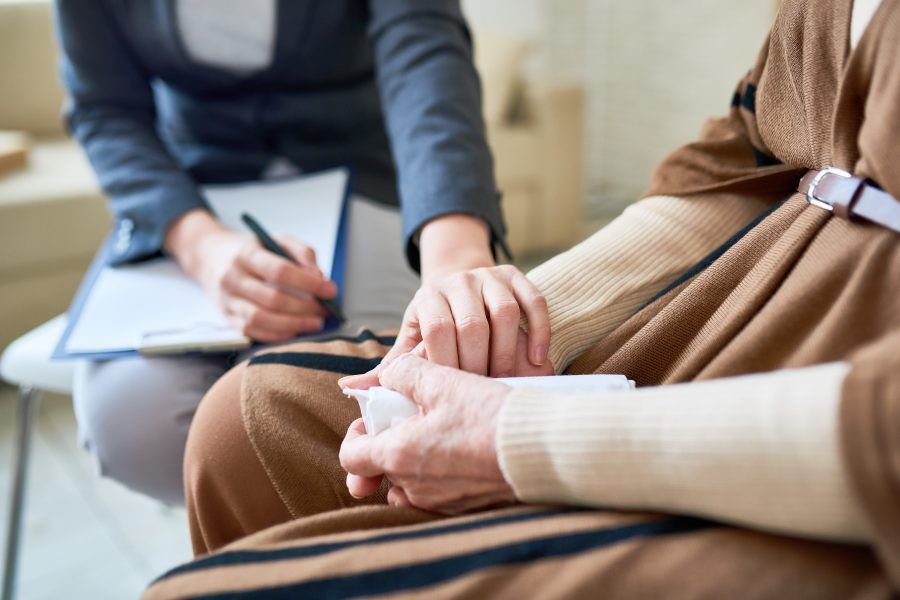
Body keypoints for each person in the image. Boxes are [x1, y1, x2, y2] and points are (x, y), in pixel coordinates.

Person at [146, 0, 899, 597]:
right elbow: (746, 152)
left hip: (860, 447)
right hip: (742, 303)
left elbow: (421, 53)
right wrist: (519, 317)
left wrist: (526, 438)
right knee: (243, 421)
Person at [55, 0, 551, 504]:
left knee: (373, 410)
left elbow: (424, 55)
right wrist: (201, 247)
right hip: (192, 199)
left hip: (364, 176)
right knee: (132, 429)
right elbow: (104, 110)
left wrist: (455, 254)